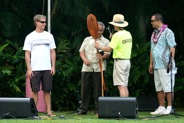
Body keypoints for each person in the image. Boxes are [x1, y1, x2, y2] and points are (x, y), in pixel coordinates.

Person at [23, 14, 56, 117]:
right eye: (42, 22)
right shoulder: (30, 36)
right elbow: (27, 54)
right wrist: (29, 68)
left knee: (47, 90)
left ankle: (49, 111)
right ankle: (33, 112)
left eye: (45, 22)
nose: (44, 24)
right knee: (35, 90)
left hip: (47, 68)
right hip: (35, 68)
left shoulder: (49, 36)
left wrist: (53, 66)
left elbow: (53, 52)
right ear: (36, 22)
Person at [95, 14, 132, 97]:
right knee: (125, 86)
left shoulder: (116, 35)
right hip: (127, 61)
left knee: (121, 86)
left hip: (120, 62)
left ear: (115, 25)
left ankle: (124, 107)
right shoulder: (128, 33)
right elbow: (120, 45)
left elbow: (109, 49)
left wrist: (99, 47)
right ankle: (127, 106)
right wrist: (113, 38)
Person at [78, 21, 110, 115]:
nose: (98, 32)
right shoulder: (87, 39)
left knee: (98, 90)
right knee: (85, 89)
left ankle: (98, 109)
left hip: (99, 68)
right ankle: (83, 109)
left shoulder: (106, 41)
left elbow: (107, 54)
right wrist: (84, 60)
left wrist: (102, 57)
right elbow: (81, 51)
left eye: (100, 30)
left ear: (103, 31)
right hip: (86, 67)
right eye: (97, 30)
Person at [149, 13, 177, 115]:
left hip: (166, 63)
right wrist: (151, 63)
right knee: (159, 86)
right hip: (157, 64)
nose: (151, 23)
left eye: (152, 21)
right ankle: (161, 106)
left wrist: (170, 61)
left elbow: (172, 47)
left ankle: (169, 107)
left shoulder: (168, 32)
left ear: (159, 21)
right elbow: (152, 49)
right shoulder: (154, 34)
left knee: (168, 86)